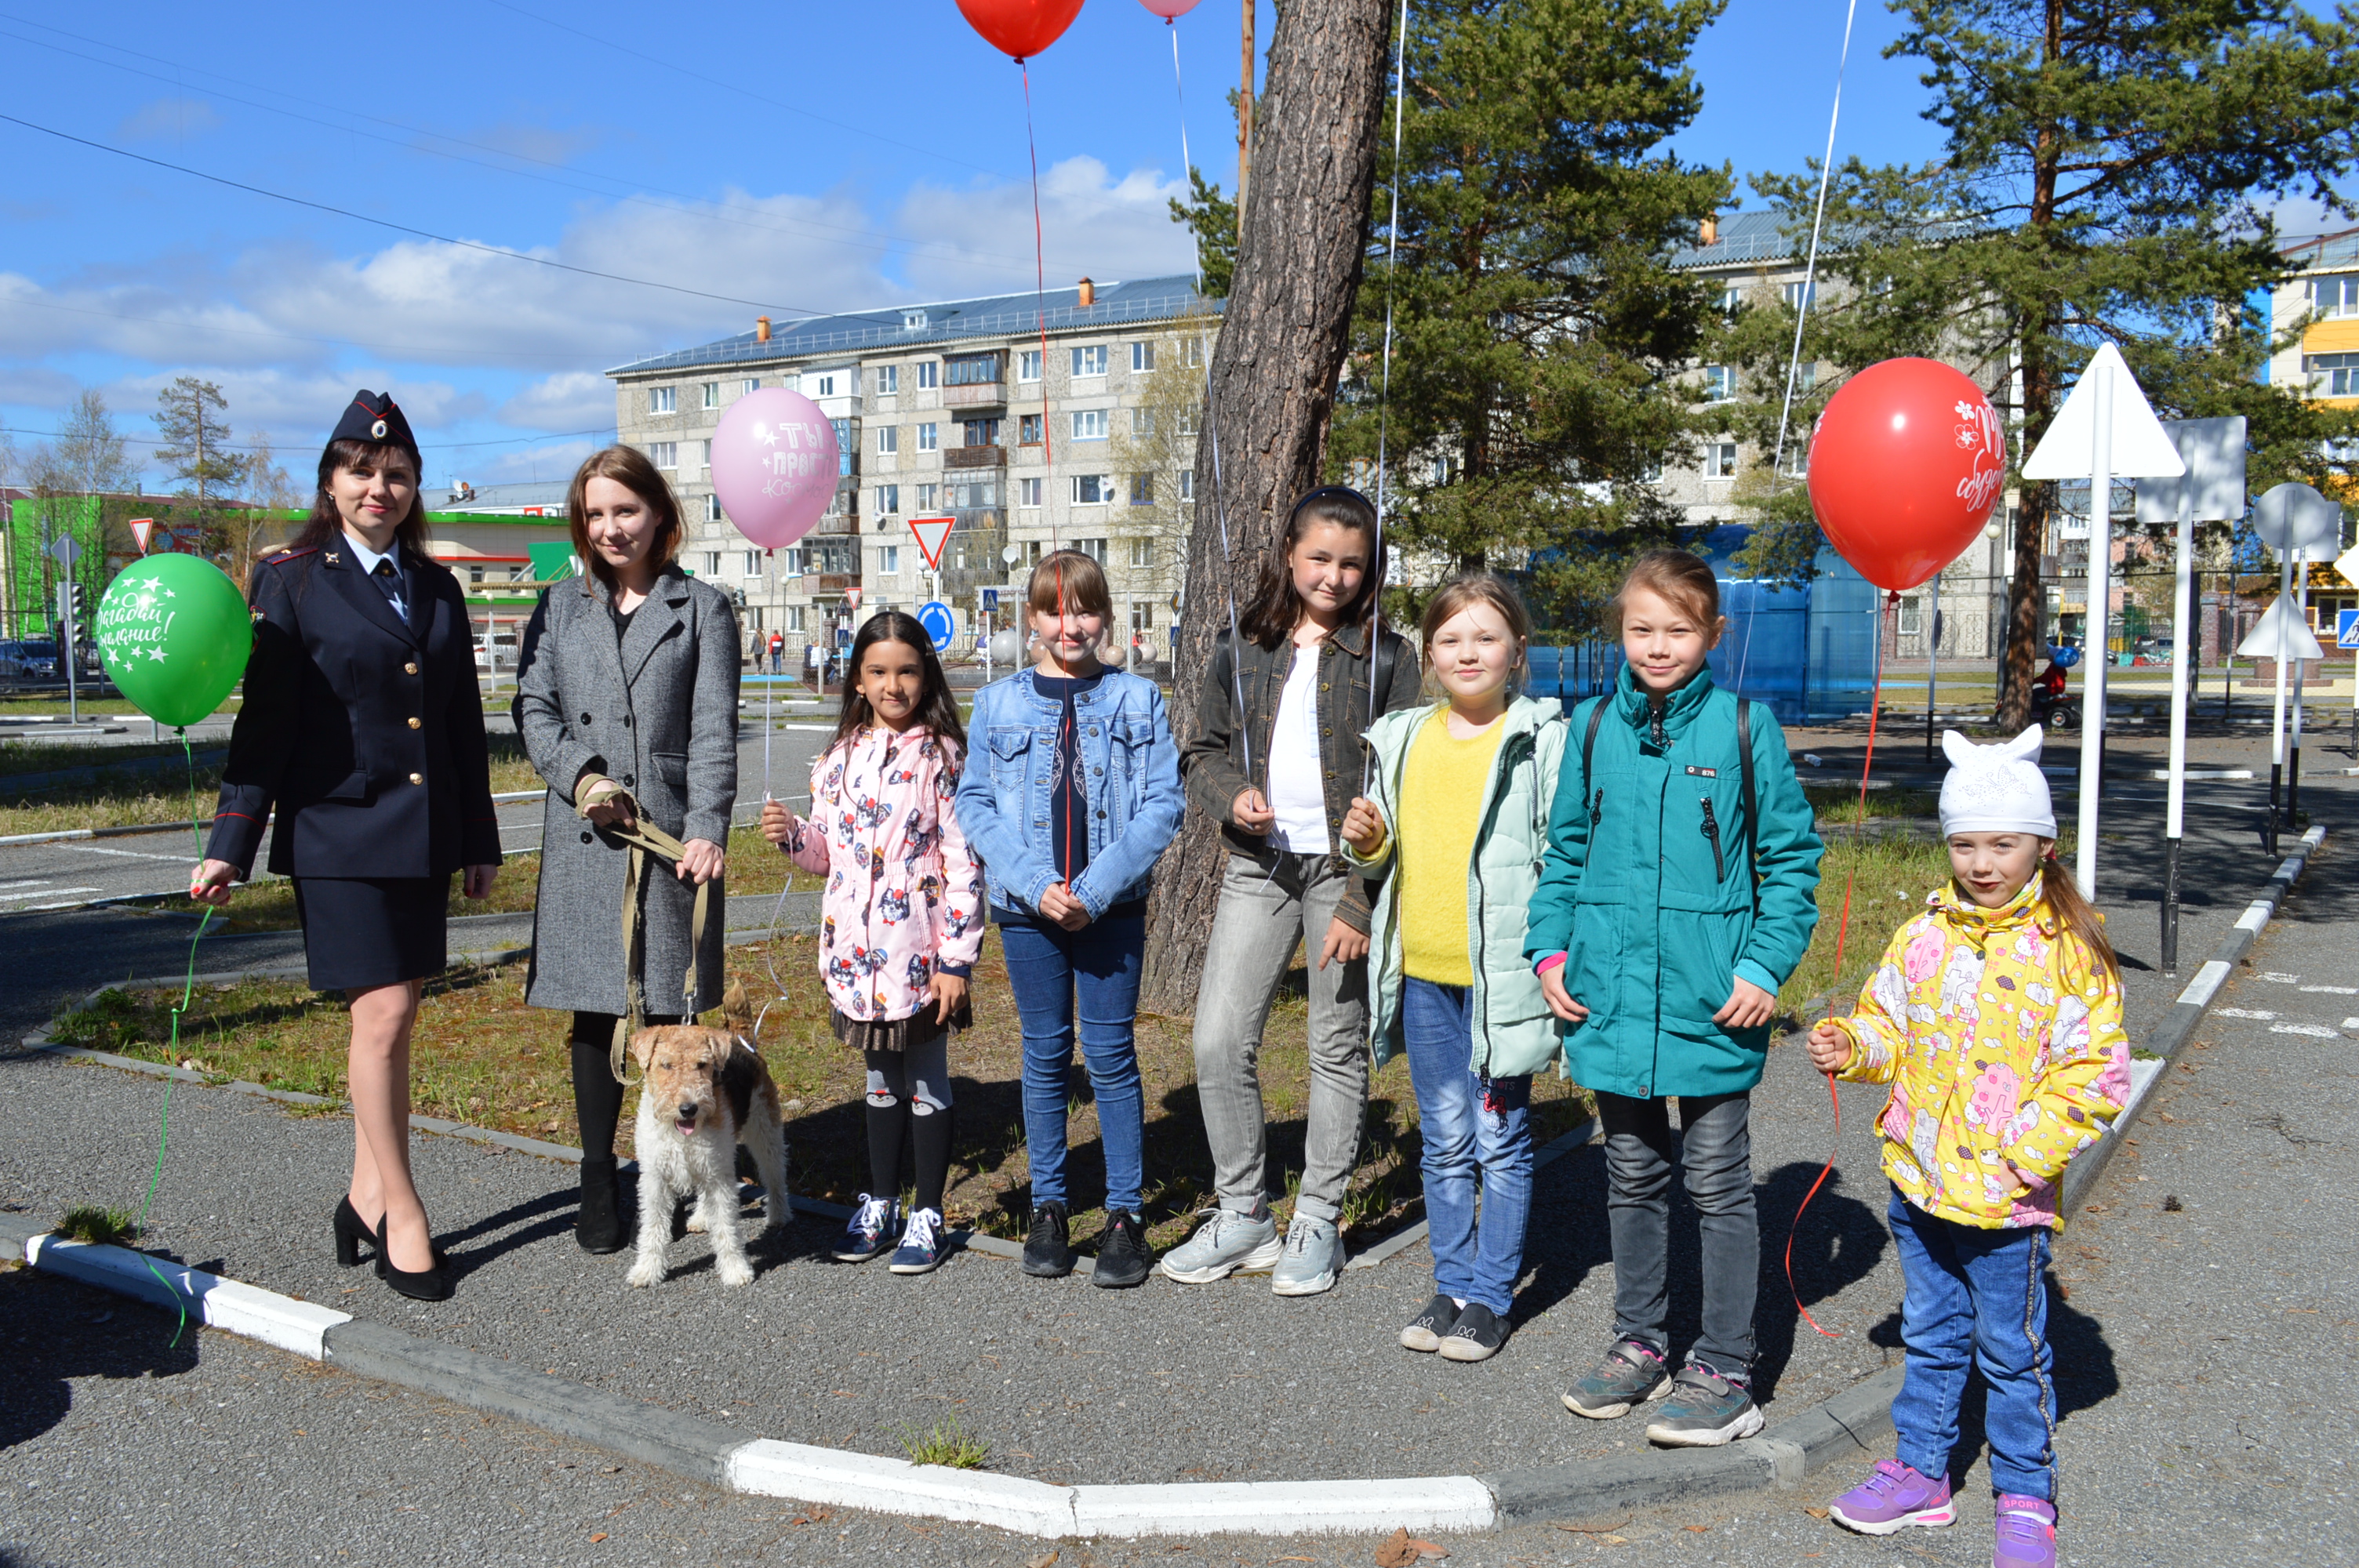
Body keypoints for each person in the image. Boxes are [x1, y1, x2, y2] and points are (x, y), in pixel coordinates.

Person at [191, 390, 501, 1304]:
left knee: (397, 1024)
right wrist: (230, 840)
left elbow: (460, 727)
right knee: (385, 1015)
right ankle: (403, 1210)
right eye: (362, 471)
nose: (381, 486)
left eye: (397, 473)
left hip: (422, 835)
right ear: (330, 482)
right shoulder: (289, 579)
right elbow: (267, 722)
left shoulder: (436, 585)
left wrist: (478, 837)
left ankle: (364, 1194)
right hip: (335, 827)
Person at [1808, 728, 2125, 1568]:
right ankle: (1921, 1471)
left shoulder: (2070, 949)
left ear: (2041, 844)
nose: (1982, 861)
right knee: (1931, 1331)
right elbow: (1889, 1025)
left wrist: (2030, 1150)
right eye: (1964, 842)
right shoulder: (1923, 933)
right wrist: (1855, 1046)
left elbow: (2095, 1071)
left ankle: (2025, 1491)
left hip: (2002, 1196)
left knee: (2010, 1348)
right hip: (1917, 1178)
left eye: (2002, 842)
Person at [1524, 549, 1823, 1441]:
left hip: (1709, 999)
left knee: (1719, 1183)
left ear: (1712, 634)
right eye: (1640, 628)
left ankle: (1726, 1365)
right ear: (1619, 630)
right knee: (1630, 1172)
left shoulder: (1742, 727)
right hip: (1610, 993)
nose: (1657, 646)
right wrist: (1548, 953)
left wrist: (1762, 967)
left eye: (1678, 629)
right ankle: (1640, 1343)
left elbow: (1789, 861)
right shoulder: (1589, 728)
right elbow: (1564, 855)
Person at [1165, 487, 1419, 1296]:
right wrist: (1229, 793)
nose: (1334, 575)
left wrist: (1358, 897)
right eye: (1319, 557)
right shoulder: (1242, 643)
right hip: (1260, 866)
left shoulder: (1386, 653)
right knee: (1216, 1039)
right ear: (1288, 553)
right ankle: (1242, 1211)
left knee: (1331, 1044)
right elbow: (1199, 749)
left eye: (1352, 562)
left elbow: (1400, 783)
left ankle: (1317, 1215)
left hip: (1341, 874)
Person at [511, 445, 738, 1254]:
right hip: (586, 830)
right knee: (595, 1002)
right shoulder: (558, 607)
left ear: (657, 515)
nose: (610, 527)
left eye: (625, 510)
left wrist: (708, 823)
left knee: (672, 1006)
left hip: (669, 831)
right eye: (596, 513)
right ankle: (596, 1172)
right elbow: (532, 707)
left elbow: (712, 729)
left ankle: (683, 1169)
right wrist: (582, 777)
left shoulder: (703, 607)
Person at [1337, 574, 1565, 1362]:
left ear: (1516, 651)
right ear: (1428, 655)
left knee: (1497, 1139)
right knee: (1441, 1138)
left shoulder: (1541, 737)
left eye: (1485, 637)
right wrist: (1365, 838)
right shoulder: (1401, 735)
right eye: (1449, 639)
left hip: (1499, 980)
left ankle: (1492, 1296)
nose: (1467, 652)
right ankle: (1450, 1282)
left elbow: (1558, 853)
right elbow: (1379, 849)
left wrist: (1553, 957)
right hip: (1423, 975)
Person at [954, 550, 1183, 1287]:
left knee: (1112, 1057)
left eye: (1084, 608)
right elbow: (976, 804)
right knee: (1045, 1055)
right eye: (1054, 609)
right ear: (1031, 620)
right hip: (1029, 911)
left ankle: (1124, 1214)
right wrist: (1037, 883)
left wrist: (1095, 887)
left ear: (1105, 616)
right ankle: (1049, 1206)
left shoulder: (1137, 700)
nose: (1070, 623)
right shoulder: (996, 704)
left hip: (1110, 908)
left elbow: (1162, 804)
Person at [761, 611, 983, 1273]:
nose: (894, 686)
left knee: (925, 1077)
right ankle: (882, 1202)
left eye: (908, 671)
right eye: (879, 673)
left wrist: (956, 962)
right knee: (880, 1078)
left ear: (926, 675)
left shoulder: (942, 757)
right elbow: (830, 856)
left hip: (920, 952)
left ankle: (928, 1211)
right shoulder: (837, 759)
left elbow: (964, 861)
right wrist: (794, 836)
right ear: (857, 680)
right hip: (857, 954)